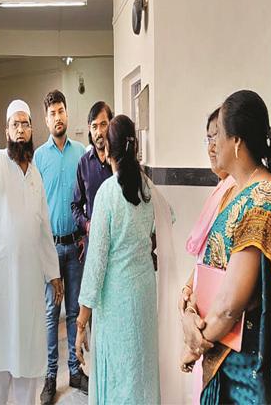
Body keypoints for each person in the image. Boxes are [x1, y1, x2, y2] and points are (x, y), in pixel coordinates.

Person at [180, 90, 271, 404]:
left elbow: (232, 303)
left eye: (217, 134)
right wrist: (188, 312)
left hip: (246, 369)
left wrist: (195, 343)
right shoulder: (236, 191)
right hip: (223, 349)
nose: (212, 144)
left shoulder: (263, 198)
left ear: (236, 141)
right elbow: (210, 265)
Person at [0, 99, 63, 405]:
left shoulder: (36, 174)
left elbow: (43, 228)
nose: (20, 131)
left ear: (32, 129)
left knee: (27, 356)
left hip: (27, 283)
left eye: (25, 124)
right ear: (7, 131)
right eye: (15, 125)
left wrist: (54, 274)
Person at [74, 115, 161, 404]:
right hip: (144, 292)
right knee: (142, 368)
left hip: (116, 300)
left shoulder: (107, 194)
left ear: (108, 152)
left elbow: (97, 262)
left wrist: (82, 319)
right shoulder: (148, 190)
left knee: (119, 373)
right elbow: (166, 221)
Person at [178, 107, 236, 404]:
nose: (212, 146)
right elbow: (205, 253)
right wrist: (189, 287)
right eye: (208, 138)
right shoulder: (219, 189)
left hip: (218, 322)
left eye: (217, 136)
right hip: (203, 310)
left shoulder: (237, 190)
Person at [34, 90, 88, 404]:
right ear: (46, 119)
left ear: (67, 114)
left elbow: (86, 200)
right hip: (50, 250)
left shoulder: (81, 152)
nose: (58, 117)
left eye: (61, 111)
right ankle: (50, 376)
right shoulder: (39, 157)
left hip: (75, 248)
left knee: (74, 312)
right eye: (52, 113)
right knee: (50, 315)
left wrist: (84, 236)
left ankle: (76, 370)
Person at [71, 101, 114, 260]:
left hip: (118, 247)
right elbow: (75, 205)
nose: (99, 132)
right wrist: (86, 225)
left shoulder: (119, 163)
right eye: (94, 126)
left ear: (111, 124)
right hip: (93, 246)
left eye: (103, 124)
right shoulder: (84, 163)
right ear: (89, 128)